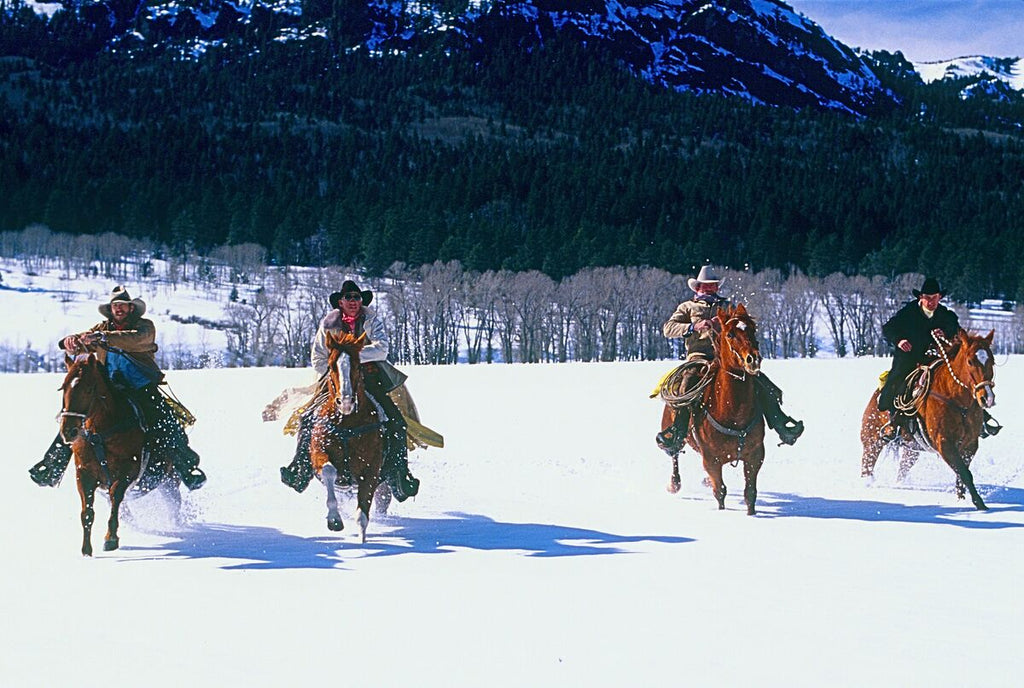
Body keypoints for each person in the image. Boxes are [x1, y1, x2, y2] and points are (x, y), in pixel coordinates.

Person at [28, 286, 206, 490]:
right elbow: (85, 339)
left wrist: (103, 339)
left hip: (141, 388)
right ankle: (52, 466)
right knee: (73, 415)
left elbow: (134, 340)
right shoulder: (101, 327)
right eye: (115, 306)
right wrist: (71, 341)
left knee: (165, 423)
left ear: (131, 308)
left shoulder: (144, 327)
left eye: (123, 306)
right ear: (110, 310)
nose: (119, 309)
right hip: (110, 388)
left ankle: (187, 467)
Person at [279, 280, 420, 501]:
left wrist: (351, 357)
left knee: (396, 421)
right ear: (341, 302)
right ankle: (300, 469)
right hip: (335, 381)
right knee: (307, 418)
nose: (353, 301)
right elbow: (317, 357)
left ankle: (399, 474)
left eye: (357, 297)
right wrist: (338, 367)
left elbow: (382, 349)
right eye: (349, 297)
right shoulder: (328, 323)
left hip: (369, 380)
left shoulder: (372, 319)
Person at [655, 265, 804, 454]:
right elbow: (668, 328)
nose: (710, 289)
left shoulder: (727, 307)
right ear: (697, 287)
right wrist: (694, 326)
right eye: (705, 286)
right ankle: (678, 431)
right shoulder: (687, 307)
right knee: (687, 385)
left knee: (761, 382)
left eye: (713, 285)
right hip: (698, 357)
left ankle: (780, 423)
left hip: (727, 358)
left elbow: (741, 328)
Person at [877, 276, 998, 440]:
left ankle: (980, 419)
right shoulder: (908, 312)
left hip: (938, 357)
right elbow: (888, 328)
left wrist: (946, 333)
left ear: (939, 298)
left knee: (964, 380)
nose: (931, 301)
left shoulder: (946, 316)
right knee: (896, 380)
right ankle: (893, 422)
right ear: (921, 297)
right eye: (927, 298)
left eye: (934, 298)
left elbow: (958, 335)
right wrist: (899, 340)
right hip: (909, 357)